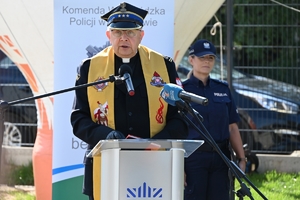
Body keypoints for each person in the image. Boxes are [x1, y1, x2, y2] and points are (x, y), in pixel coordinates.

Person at [70, 2, 188, 200]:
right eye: (117, 32)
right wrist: (106, 135)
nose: (124, 38)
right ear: (108, 36)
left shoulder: (163, 66)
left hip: (155, 163)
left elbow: (181, 117)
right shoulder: (90, 68)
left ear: (141, 35)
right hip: (106, 161)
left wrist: (157, 143)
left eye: (131, 32)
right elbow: (78, 120)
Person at [182, 39, 246, 200]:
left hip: (221, 157)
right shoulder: (182, 90)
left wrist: (242, 158)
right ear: (191, 60)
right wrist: (178, 165)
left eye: (210, 58)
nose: (206, 61)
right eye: (202, 57)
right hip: (193, 159)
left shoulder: (222, 89)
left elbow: (232, 127)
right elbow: (176, 129)